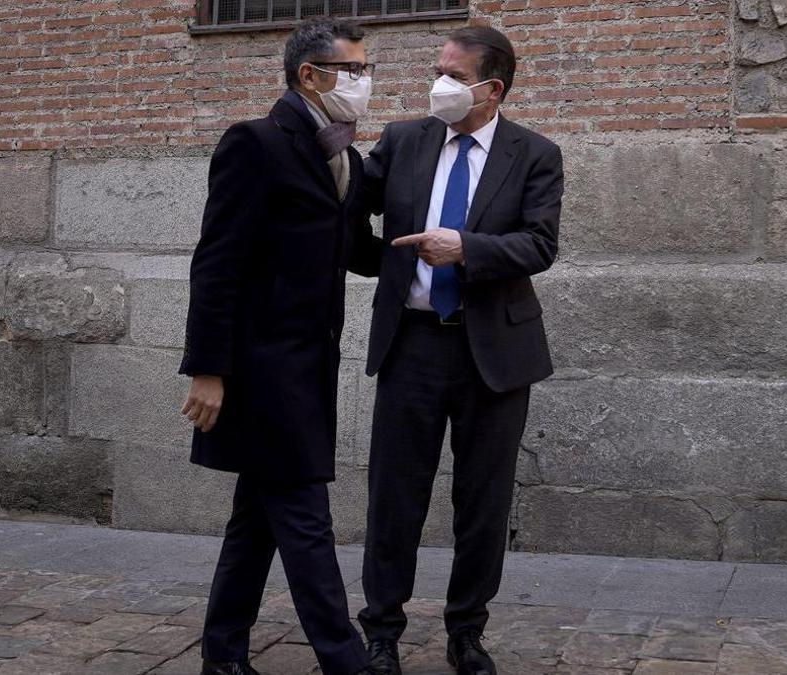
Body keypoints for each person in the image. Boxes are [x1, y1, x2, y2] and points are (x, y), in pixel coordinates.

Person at [356, 25, 564, 675]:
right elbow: (350, 201)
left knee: (483, 501)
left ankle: (466, 631)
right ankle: (382, 632)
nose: (438, 83)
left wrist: (467, 249)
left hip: (494, 351)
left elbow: (539, 245)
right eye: (438, 69)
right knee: (395, 496)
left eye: (452, 73)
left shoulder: (535, 154)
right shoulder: (404, 139)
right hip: (411, 342)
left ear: (490, 88)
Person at [179, 17, 381, 675]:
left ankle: (222, 655)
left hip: (310, 366)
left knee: (255, 522)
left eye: (364, 68)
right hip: (263, 372)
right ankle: (345, 661)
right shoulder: (256, 144)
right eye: (351, 70)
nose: (363, 81)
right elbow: (217, 262)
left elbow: (352, 251)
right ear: (309, 76)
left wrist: (424, 255)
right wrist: (207, 368)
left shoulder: (341, 154)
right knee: (304, 520)